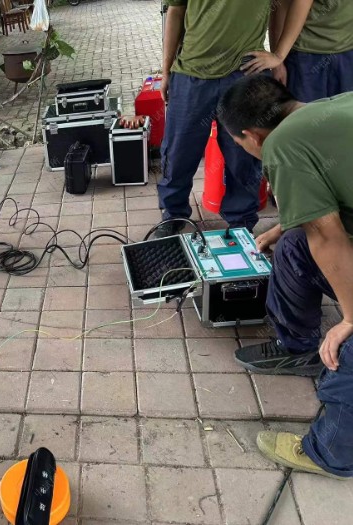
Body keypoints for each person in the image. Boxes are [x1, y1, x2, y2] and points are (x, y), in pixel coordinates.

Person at [217, 74, 353, 478]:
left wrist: (349, 318)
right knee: (294, 245)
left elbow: (327, 236)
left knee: (351, 343)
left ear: (252, 136)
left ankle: (332, 453)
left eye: (240, 144)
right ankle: (298, 347)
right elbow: (326, 202)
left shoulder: (281, 143)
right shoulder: (328, 107)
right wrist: (281, 227)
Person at [155, 0, 311, 238]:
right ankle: (173, 214)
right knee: (178, 152)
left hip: (245, 73)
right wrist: (166, 71)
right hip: (192, 73)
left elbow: (287, 5)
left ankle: (241, 222)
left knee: (244, 158)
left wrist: (279, 56)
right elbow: (176, 11)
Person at [244, 0, 353, 101]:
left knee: (343, 112)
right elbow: (282, 7)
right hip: (306, 57)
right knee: (303, 113)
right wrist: (278, 59)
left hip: (347, 53)